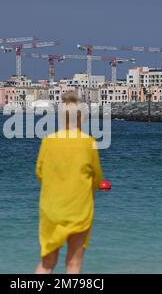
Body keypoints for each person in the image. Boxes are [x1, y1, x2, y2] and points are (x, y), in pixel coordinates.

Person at [35, 91, 103, 274]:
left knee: (47, 263)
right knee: (73, 263)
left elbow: (39, 173)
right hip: (79, 211)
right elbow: (96, 178)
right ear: (82, 118)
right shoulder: (89, 143)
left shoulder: (48, 142)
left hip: (51, 210)